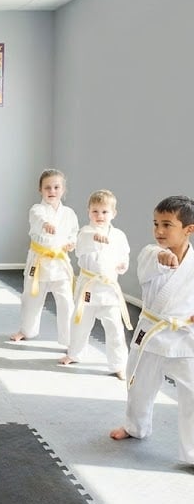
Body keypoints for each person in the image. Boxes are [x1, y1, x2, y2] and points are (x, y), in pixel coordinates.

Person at [110, 195, 194, 466]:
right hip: (151, 334)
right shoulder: (150, 253)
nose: (159, 230)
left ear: (189, 229)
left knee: (192, 395)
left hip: (184, 338)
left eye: (167, 225)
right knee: (138, 389)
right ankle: (135, 427)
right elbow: (152, 261)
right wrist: (162, 256)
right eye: (156, 223)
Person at [59, 190, 132, 378]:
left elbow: (124, 255)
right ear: (89, 212)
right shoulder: (85, 232)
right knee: (80, 323)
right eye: (95, 211)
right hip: (88, 287)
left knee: (115, 328)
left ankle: (119, 364)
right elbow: (80, 249)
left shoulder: (119, 235)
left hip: (109, 289)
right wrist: (95, 238)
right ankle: (74, 353)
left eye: (105, 212)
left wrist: (123, 265)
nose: (100, 216)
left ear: (113, 213)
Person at [10, 169, 78, 346]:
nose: (52, 191)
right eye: (47, 187)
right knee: (31, 298)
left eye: (56, 187)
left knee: (66, 302)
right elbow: (38, 219)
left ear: (63, 190)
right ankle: (26, 331)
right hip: (39, 261)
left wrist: (72, 243)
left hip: (60, 263)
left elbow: (73, 232)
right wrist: (45, 224)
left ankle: (69, 339)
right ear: (40, 189)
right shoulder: (37, 210)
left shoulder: (69, 213)